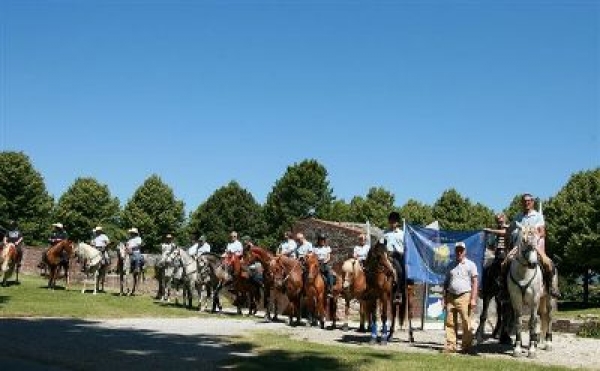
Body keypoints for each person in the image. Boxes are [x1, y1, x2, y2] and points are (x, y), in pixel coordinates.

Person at [503, 194, 560, 298]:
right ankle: (504, 290)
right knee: (505, 263)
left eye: (529, 201)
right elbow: (510, 230)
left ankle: (552, 287)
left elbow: (543, 233)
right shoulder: (517, 217)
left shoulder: (538, 216)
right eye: (524, 201)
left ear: (533, 202)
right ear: (521, 203)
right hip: (519, 247)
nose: (527, 203)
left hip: (534, 245)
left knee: (548, 263)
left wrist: (535, 234)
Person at [442, 242, 478, 354]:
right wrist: (444, 298)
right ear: (455, 251)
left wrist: (473, 299)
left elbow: (475, 282)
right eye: (457, 250)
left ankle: (466, 347)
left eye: (461, 250)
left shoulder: (471, 265)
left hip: (464, 296)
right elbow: (446, 283)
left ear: (465, 251)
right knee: (449, 322)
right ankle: (451, 346)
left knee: (466, 322)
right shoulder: (450, 265)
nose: (459, 252)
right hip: (451, 296)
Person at [384, 211, 404, 287]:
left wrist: (400, 253)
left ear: (397, 222)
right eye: (391, 220)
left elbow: (405, 247)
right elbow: (382, 244)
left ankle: (400, 288)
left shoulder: (402, 234)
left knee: (400, 271)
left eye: (394, 221)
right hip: (387, 256)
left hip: (398, 256)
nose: (392, 222)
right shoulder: (385, 233)